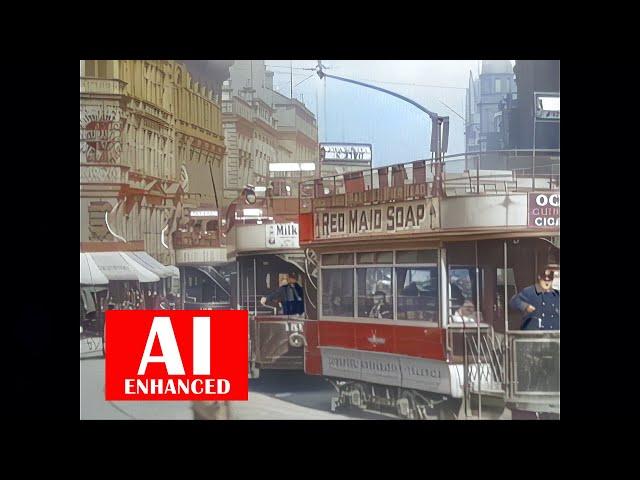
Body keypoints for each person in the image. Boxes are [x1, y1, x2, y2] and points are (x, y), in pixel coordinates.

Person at [509, 266, 559, 330]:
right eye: (544, 279)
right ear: (539, 277)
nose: (547, 282)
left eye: (549, 280)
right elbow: (513, 302)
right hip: (533, 335)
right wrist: (525, 306)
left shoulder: (556, 295)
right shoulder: (530, 292)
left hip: (553, 336)